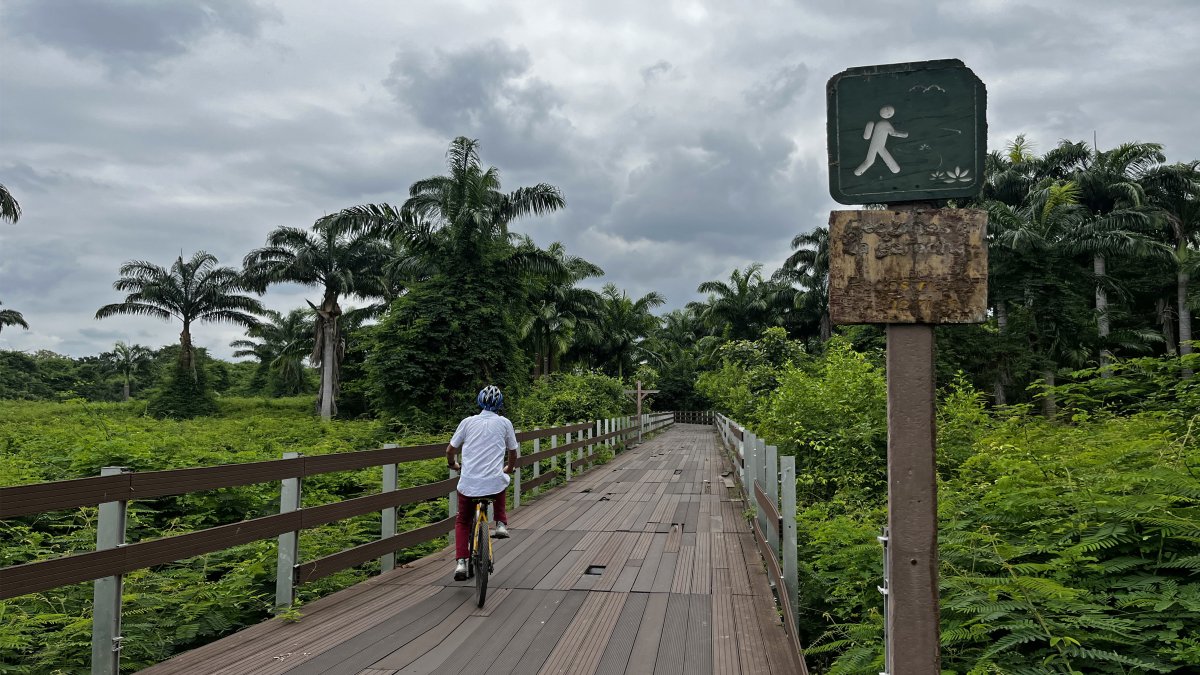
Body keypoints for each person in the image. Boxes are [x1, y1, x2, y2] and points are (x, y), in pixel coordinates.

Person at [447, 384, 517, 581]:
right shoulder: (504, 423)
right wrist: (509, 468)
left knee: (462, 520)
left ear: (479, 402)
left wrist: (453, 464)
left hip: (469, 484)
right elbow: (513, 452)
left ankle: (461, 562)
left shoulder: (467, 422)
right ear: (500, 404)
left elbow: (450, 450)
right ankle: (501, 523)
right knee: (502, 481)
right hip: (493, 484)